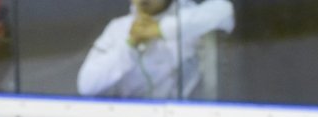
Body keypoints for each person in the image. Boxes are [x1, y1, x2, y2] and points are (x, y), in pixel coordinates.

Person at [77, 0, 234, 100]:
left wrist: (160, 29)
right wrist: (129, 46)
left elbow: (224, 11)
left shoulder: (188, 18)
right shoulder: (119, 28)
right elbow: (86, 85)